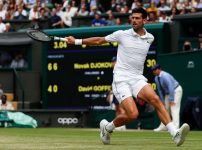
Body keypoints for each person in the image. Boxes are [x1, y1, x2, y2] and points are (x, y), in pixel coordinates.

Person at [65, 7, 189, 146]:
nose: (134, 21)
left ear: (145, 20)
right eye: (133, 18)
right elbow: (99, 40)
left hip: (137, 78)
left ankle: (174, 134)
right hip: (121, 79)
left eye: (137, 18)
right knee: (132, 115)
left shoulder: (150, 38)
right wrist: (76, 41)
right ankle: (107, 128)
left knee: (155, 99)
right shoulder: (121, 34)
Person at [152, 64, 183, 131]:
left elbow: (170, 87)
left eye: (155, 70)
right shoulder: (156, 78)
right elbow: (160, 90)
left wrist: (172, 99)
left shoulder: (165, 76)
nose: (154, 71)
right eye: (153, 70)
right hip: (168, 93)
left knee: (174, 109)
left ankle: (176, 127)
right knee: (164, 109)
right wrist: (162, 101)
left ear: (159, 69)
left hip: (175, 90)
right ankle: (164, 126)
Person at [106, 57, 126, 131]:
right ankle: (118, 125)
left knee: (121, 108)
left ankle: (123, 125)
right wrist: (111, 91)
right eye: (112, 61)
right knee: (117, 108)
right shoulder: (114, 71)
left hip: (121, 91)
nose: (113, 63)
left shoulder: (121, 69)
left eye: (114, 61)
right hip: (115, 91)